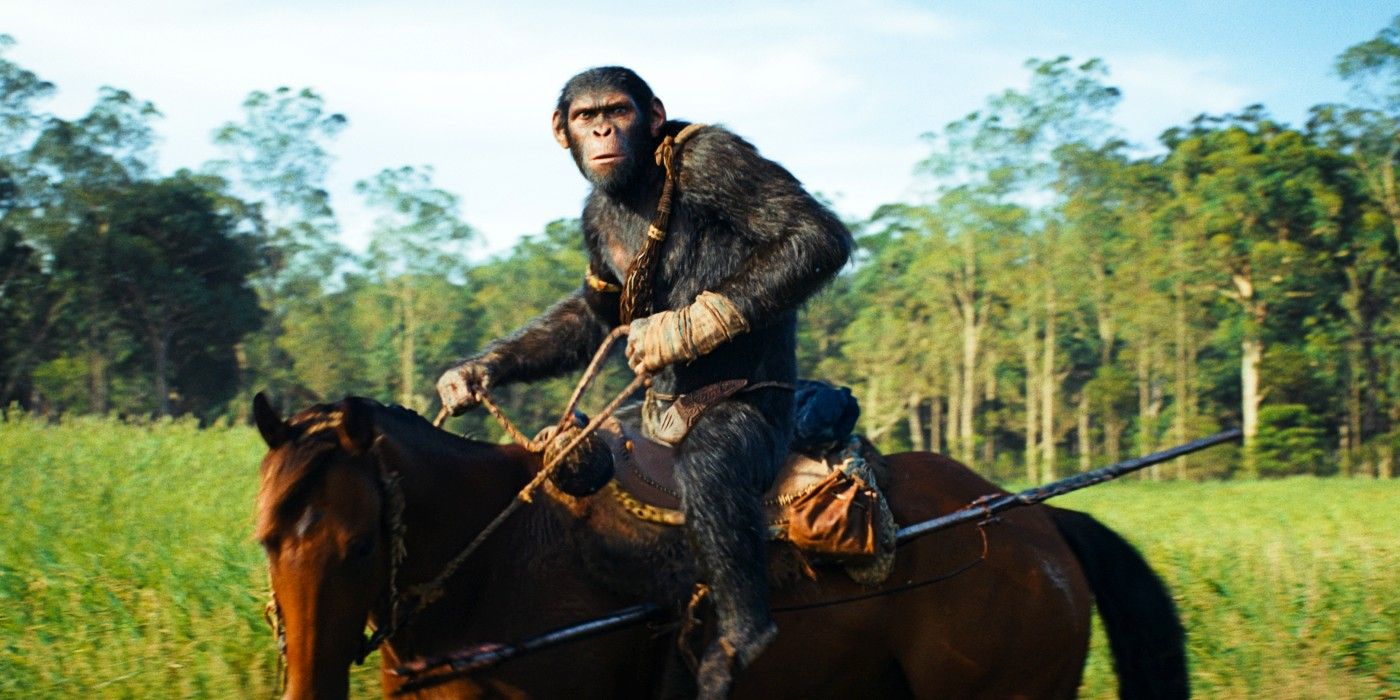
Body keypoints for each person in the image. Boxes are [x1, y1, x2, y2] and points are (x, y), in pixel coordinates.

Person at [437, 66, 851, 697]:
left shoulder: (703, 160)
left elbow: (818, 237)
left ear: (653, 116)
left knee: (708, 468)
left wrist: (702, 320)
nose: (602, 127)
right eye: (585, 117)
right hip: (659, 411)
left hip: (748, 399)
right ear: (561, 132)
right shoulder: (602, 218)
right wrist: (491, 365)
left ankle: (743, 630)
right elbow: (590, 318)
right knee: (567, 466)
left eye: (617, 112)